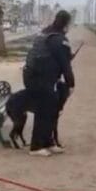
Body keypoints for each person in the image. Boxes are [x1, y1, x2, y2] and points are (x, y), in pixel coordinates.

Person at [22, 10, 75, 157]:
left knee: (51, 111)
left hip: (33, 77)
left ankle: (48, 142)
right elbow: (65, 65)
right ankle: (36, 146)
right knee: (44, 112)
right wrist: (71, 84)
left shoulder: (45, 33)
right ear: (66, 23)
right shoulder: (59, 39)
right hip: (42, 80)